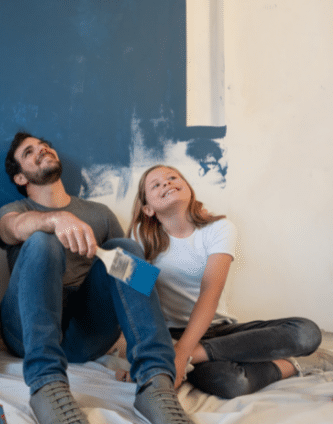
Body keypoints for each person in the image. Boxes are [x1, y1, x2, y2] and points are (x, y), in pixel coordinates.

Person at [0, 132, 210, 424]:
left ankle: (155, 385)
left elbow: (130, 282)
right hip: (27, 330)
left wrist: (126, 342)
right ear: (19, 175)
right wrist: (55, 219)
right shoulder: (14, 209)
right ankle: (46, 386)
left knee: (126, 249)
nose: (42, 150)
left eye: (45, 146)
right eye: (30, 152)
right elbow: (12, 229)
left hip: (86, 334)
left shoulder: (99, 213)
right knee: (42, 240)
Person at [124, 164, 331, 398]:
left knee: (306, 333)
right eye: (156, 185)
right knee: (232, 383)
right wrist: (144, 355)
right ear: (148, 209)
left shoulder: (218, 229)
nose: (167, 183)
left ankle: (190, 354)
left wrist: (180, 354)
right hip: (170, 335)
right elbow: (137, 299)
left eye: (173, 177)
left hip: (219, 329)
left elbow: (210, 291)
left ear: (188, 188)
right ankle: (297, 364)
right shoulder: (140, 237)